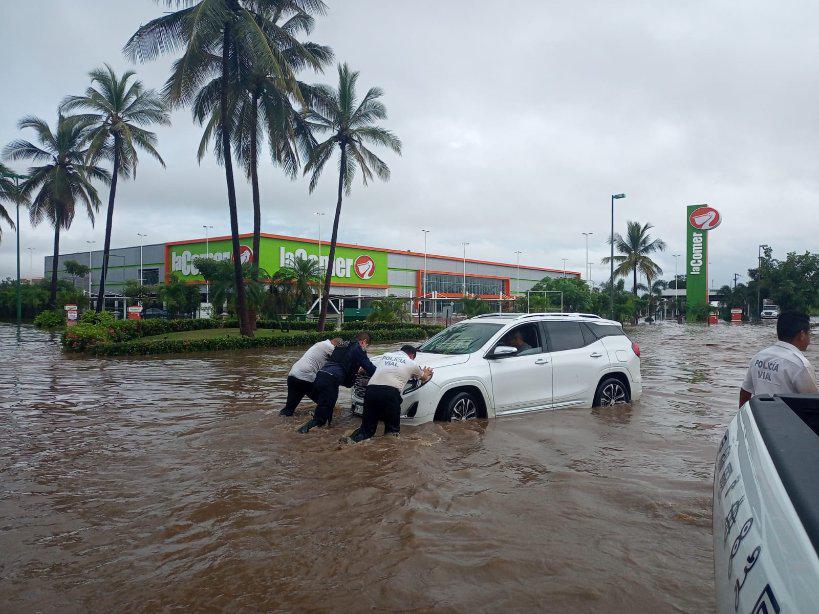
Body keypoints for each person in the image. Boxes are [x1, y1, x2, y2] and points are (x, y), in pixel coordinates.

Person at [348, 345, 433, 442]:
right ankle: (389, 450)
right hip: (390, 394)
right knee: (392, 432)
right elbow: (424, 378)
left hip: (371, 391)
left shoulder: (386, 355)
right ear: (412, 355)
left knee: (366, 430)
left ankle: (350, 441)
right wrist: (426, 372)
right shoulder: (411, 363)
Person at [297, 331, 377, 433]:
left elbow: (342, 365)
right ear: (364, 342)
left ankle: (326, 433)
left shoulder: (342, 345)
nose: (366, 347)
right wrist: (381, 373)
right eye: (367, 345)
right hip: (330, 380)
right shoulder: (358, 348)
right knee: (320, 418)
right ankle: (301, 433)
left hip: (321, 376)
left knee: (327, 408)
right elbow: (369, 367)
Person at [739, 310, 817, 407]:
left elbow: (745, 392)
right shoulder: (800, 365)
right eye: (809, 334)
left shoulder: (759, 357)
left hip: (761, 418)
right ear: (802, 335)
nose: (809, 340)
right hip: (787, 420)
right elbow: (814, 402)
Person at [280, 337, 342, 416]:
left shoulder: (321, 343)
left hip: (293, 375)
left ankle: (281, 422)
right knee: (326, 403)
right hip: (305, 378)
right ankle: (319, 422)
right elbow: (341, 361)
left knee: (289, 409)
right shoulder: (330, 347)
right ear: (337, 345)